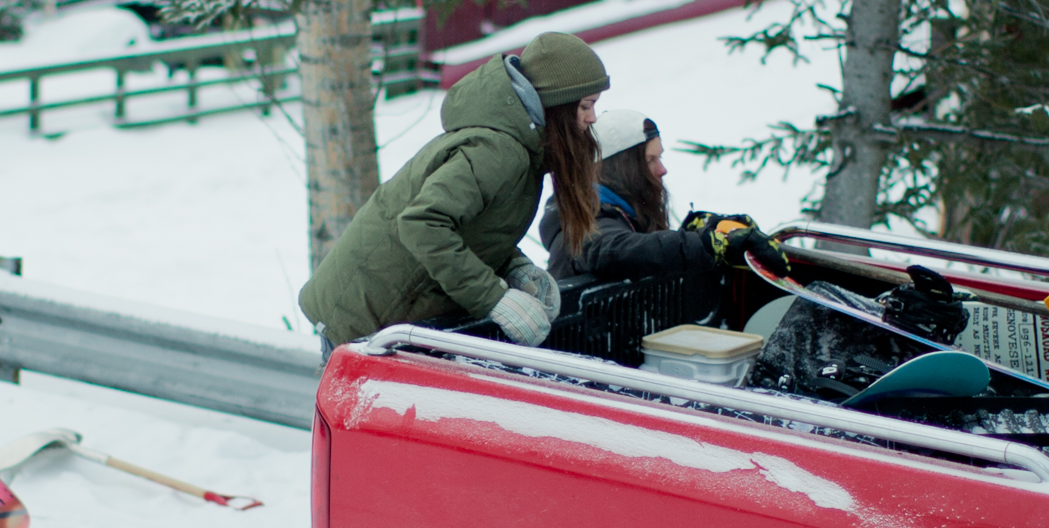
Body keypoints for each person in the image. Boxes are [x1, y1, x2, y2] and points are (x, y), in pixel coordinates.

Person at [299, 31, 609, 349]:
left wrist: (513, 267)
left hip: (392, 316)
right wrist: (493, 297)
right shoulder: (498, 150)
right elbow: (422, 224)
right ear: (555, 102)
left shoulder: (522, 149)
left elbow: (475, 226)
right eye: (585, 105)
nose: (592, 118)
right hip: (362, 318)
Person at [540, 109, 790, 285]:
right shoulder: (578, 221)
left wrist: (705, 230)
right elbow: (616, 250)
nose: (662, 170)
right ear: (620, 169)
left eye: (660, 158)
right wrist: (702, 244)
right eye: (650, 160)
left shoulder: (620, 210)